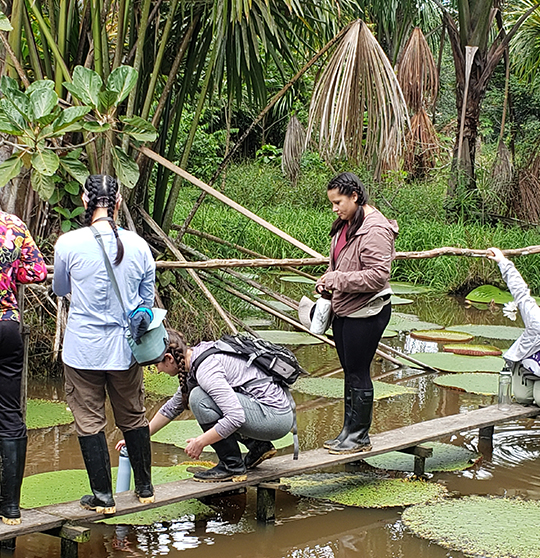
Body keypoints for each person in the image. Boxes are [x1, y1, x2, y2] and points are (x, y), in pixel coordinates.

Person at [53, 174, 156, 514]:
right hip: (125, 349)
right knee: (133, 415)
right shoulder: (140, 246)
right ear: (118, 202)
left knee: (88, 419)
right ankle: (145, 488)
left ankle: (103, 497)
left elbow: (60, 287)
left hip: (83, 347)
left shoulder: (68, 243)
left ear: (85, 201)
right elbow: (146, 300)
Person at [317, 172, 398, 454]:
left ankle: (359, 437)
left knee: (359, 372)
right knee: (350, 372)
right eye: (332, 203)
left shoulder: (375, 229)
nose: (334, 208)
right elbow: (339, 262)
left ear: (355, 196)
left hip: (367, 312)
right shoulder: (347, 223)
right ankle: (347, 433)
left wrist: (336, 280)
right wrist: (327, 279)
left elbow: (378, 276)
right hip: (345, 308)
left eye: (338, 202)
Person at [147, 329, 294, 482]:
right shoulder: (198, 355)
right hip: (269, 412)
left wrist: (200, 442)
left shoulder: (206, 371)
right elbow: (172, 407)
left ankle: (231, 466)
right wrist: (142, 435)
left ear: (169, 358)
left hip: (274, 417)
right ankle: (258, 446)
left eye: (157, 364)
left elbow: (236, 417)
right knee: (202, 396)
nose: (157, 370)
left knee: (198, 398)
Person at [0, 211, 47, 525]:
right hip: (7, 325)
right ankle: (11, 507)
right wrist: (10, 270)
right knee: (9, 412)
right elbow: (39, 272)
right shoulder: (12, 225)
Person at [485, 247, 540, 404]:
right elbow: (521, 292)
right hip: (528, 365)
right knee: (523, 397)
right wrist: (502, 261)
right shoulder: (536, 319)